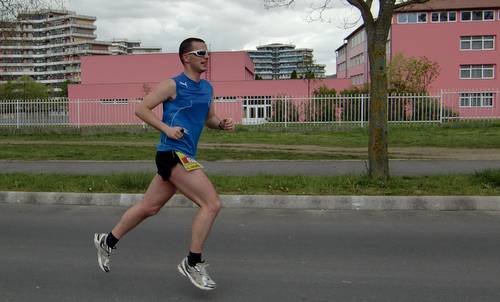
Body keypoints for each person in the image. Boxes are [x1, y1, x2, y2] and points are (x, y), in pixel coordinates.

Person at [93, 37, 235, 291]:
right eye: (200, 52)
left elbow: (209, 119)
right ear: (185, 57)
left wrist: (222, 124)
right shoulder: (173, 84)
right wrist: (166, 129)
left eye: (207, 52)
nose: (206, 56)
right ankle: (193, 262)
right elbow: (142, 109)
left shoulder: (207, 88)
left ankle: (107, 241)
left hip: (183, 155)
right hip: (172, 153)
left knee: (149, 207)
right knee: (211, 203)